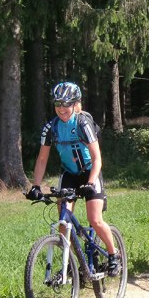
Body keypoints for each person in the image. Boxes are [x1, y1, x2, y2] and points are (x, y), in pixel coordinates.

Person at [26, 82, 121, 276]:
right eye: (58, 104)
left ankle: (114, 255)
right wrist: (35, 185)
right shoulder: (50, 127)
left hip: (89, 172)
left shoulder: (82, 123)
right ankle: (70, 263)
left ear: (76, 104)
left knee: (94, 219)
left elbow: (97, 159)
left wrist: (91, 182)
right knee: (63, 222)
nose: (61, 109)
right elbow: (42, 159)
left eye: (66, 104)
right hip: (69, 174)